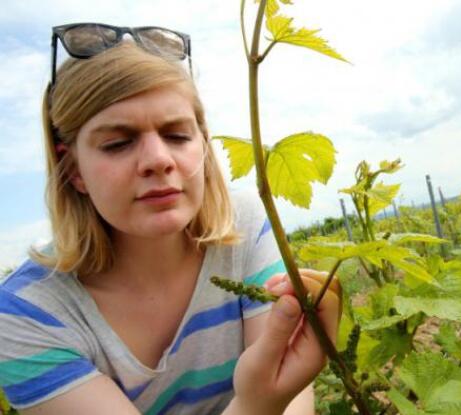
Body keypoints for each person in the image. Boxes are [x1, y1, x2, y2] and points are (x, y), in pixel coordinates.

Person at [0, 23, 341, 415]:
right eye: (118, 143)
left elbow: (296, 402)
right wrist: (257, 405)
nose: (158, 159)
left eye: (177, 135)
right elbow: (272, 399)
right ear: (73, 168)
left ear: (203, 143)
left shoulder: (243, 224)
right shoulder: (25, 313)